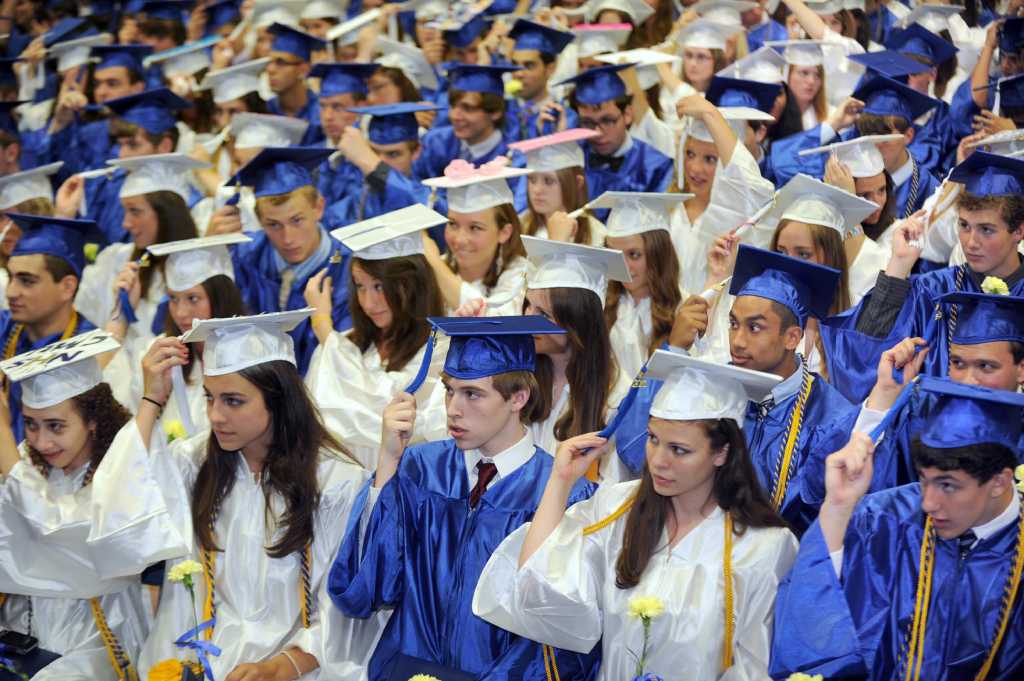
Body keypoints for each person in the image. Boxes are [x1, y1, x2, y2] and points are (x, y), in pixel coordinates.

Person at [473, 350, 798, 681]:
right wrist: (560, 481)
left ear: (722, 453)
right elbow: (537, 588)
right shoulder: (617, 510)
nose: (658, 461)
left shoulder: (762, 547)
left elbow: (755, 667)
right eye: (653, 440)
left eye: (679, 450)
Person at [88, 310, 377, 680]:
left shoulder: (336, 481)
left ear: (278, 401)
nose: (215, 416)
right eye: (209, 398)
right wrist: (151, 401)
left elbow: (345, 606)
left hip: (301, 666)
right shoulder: (193, 465)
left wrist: (281, 666)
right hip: (200, 656)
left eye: (233, 401)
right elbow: (118, 523)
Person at [327, 316, 597, 681]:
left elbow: (560, 636)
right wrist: (388, 462)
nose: (453, 408)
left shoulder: (562, 492)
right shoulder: (421, 469)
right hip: (407, 671)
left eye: (472, 394)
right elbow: (367, 589)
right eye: (449, 390)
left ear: (519, 397)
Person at [770, 379, 1024, 680]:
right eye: (925, 480)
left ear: (999, 482)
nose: (928, 502)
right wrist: (837, 509)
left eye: (947, 486)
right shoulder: (882, 520)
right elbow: (810, 626)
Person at [678, 245, 860, 533]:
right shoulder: (713, 390)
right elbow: (636, 455)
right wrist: (674, 349)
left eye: (755, 328)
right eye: (734, 324)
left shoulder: (833, 421)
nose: (737, 342)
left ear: (792, 337)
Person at [0, 330, 149, 680]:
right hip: (22, 629)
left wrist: (7, 454)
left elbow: (62, 532)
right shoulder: (27, 459)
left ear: (93, 421)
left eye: (56, 426)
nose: (42, 440)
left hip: (98, 634)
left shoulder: (121, 469)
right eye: (32, 425)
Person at [824, 152, 1024, 403]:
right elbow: (860, 357)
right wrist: (898, 265)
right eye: (964, 226)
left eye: (986, 229)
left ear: (1018, 231)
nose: (971, 242)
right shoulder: (934, 290)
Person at [305, 204, 448, 469]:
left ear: (413, 285)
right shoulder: (346, 343)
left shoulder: (442, 349)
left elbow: (389, 410)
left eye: (380, 287)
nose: (369, 303)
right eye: (360, 287)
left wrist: (326, 332)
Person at [103, 233, 250, 432]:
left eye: (193, 298)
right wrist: (120, 313)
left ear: (220, 297)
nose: (180, 313)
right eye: (173, 298)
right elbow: (122, 413)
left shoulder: (251, 354)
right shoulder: (160, 354)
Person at [227, 145, 352, 375]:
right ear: (258, 220)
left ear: (319, 207)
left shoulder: (348, 270)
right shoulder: (244, 256)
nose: (287, 238)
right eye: (273, 225)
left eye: (297, 220)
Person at [515, 236, 630, 479]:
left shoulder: (615, 397)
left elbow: (609, 488)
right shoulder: (518, 374)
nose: (528, 318)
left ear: (578, 322)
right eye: (528, 305)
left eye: (543, 314)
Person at [75, 153, 202, 360]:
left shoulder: (203, 265)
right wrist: (119, 307)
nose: (125, 223)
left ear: (167, 214)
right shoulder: (116, 260)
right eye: (125, 211)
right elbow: (85, 324)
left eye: (135, 211)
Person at [53, 87, 194, 246]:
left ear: (165, 146)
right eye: (120, 145)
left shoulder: (189, 202)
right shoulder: (107, 188)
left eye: (132, 145)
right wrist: (64, 216)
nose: (122, 155)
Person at [1, 213, 98, 442]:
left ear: (67, 287)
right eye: (11, 277)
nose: (11, 292)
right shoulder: (6, 328)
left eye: (27, 281)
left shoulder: (92, 354)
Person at [589, 191, 687, 380]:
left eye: (634, 254)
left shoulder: (684, 310)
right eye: (615, 254)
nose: (623, 266)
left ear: (658, 253)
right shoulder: (599, 304)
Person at [557, 63, 674, 220]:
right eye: (588, 123)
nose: (598, 132)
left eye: (608, 120)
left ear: (627, 115)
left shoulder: (656, 167)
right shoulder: (571, 161)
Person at [421, 161, 532, 311]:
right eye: (453, 224)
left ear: (504, 232)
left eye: (475, 228)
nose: (459, 239)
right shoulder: (438, 266)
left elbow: (491, 321)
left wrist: (433, 264)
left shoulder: (524, 276)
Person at [323, 102, 438, 226]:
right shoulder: (356, 200)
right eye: (374, 152)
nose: (381, 161)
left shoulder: (431, 195)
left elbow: (428, 211)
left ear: (416, 151)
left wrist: (371, 162)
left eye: (393, 154)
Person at [412, 64, 520, 182]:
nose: (455, 116)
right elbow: (415, 182)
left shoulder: (512, 158)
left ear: (495, 112)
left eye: (468, 108)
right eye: (453, 106)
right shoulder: (435, 142)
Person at [509, 128, 605, 244]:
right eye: (532, 180)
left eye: (549, 181)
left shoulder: (596, 236)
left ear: (578, 183)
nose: (537, 190)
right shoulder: (520, 225)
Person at [505, 18, 577, 141]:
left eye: (529, 66)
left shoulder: (565, 118)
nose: (518, 73)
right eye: (515, 65)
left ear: (550, 69)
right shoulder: (500, 113)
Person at [264, 22, 327, 145]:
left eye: (280, 62)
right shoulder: (265, 111)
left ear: (303, 70)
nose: (270, 69)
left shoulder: (321, 115)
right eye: (269, 62)